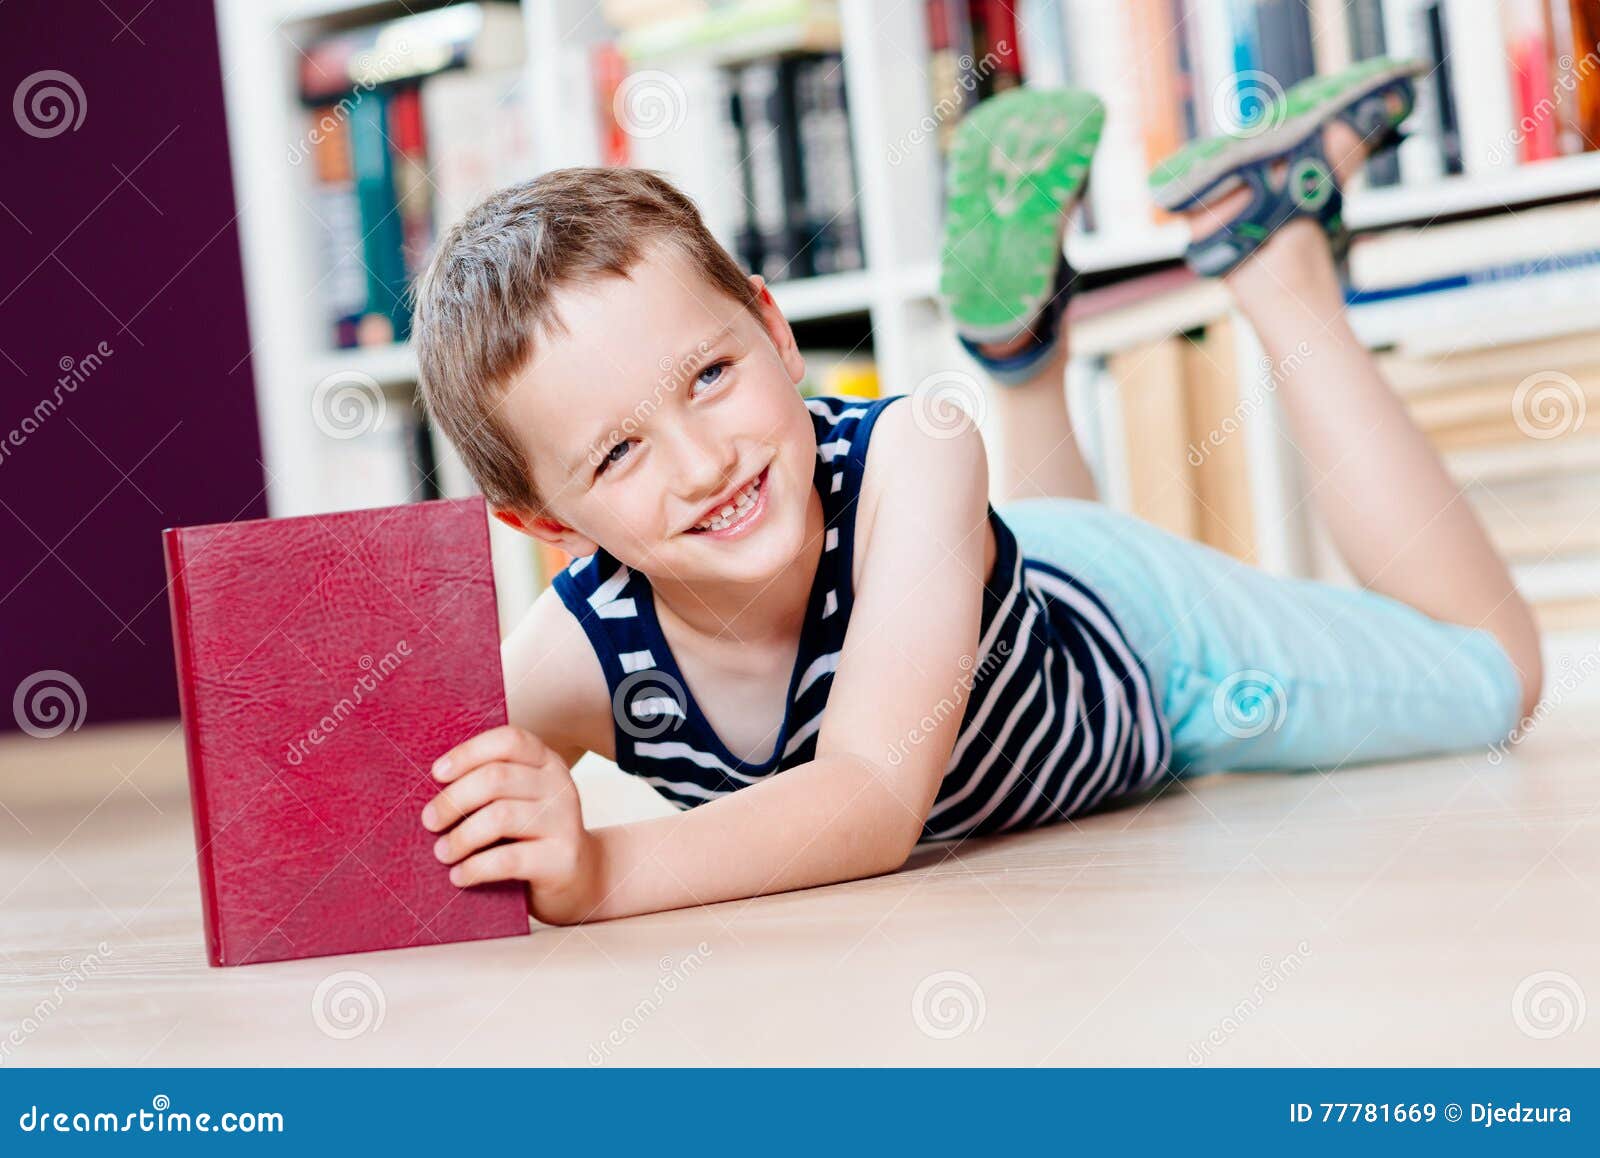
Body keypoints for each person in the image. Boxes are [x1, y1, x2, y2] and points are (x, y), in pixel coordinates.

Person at [409, 58, 1540, 926]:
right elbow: (398, 830)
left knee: (1496, 683)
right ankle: (1025, 350)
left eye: (711, 376)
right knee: (1007, 564)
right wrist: (507, 831)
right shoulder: (579, 656)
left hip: (1136, 643)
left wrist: (597, 868)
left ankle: (1275, 256)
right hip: (971, 592)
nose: (704, 463)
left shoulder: (917, 453)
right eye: (618, 454)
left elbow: (868, 800)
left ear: (772, 326)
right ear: (545, 524)